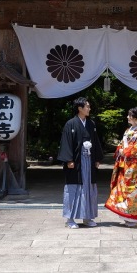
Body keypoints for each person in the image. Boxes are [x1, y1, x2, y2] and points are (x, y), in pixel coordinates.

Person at [57, 96, 104, 229]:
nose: (89, 108)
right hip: (76, 162)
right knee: (74, 189)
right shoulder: (70, 124)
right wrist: (69, 159)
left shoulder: (91, 124)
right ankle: (70, 219)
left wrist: (96, 159)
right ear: (80, 108)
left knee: (89, 188)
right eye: (87, 106)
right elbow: (66, 143)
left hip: (88, 161)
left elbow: (95, 142)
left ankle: (87, 217)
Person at [105, 107, 137, 227]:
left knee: (134, 191)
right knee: (123, 190)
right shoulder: (129, 130)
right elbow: (122, 144)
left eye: (130, 115)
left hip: (134, 166)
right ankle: (127, 216)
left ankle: (136, 218)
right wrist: (120, 149)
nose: (127, 117)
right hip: (125, 165)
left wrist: (125, 151)